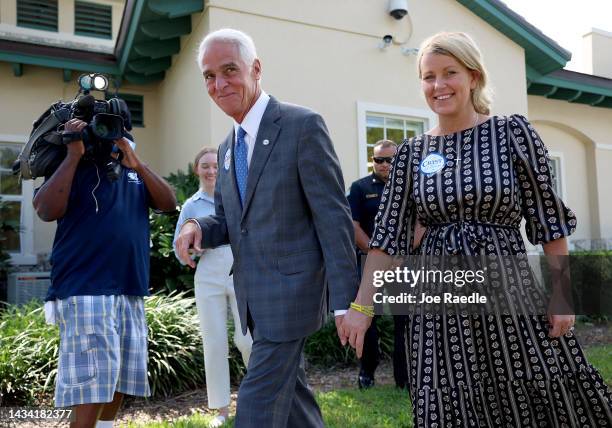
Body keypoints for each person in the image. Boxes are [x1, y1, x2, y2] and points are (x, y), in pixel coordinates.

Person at [340, 32, 612, 426]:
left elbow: (548, 220)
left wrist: (561, 295)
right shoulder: (411, 155)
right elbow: (386, 241)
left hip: (508, 290)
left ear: (472, 76)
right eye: (428, 76)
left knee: (535, 390)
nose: (438, 85)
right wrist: (361, 307)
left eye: (449, 72)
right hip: (438, 302)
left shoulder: (511, 134)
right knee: (449, 400)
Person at [175, 28, 358, 427]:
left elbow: (333, 217)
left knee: (255, 409)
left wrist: (346, 302)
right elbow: (228, 222)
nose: (219, 84)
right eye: (209, 76)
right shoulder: (226, 148)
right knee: (294, 403)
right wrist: (196, 227)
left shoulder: (302, 125)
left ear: (255, 69)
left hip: (293, 296)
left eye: (229, 70)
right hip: (253, 299)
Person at [34, 120, 176, 428]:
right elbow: (45, 209)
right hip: (86, 288)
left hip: (129, 286)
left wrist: (137, 164)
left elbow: (168, 202)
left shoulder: (132, 170)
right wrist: (73, 155)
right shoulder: (72, 167)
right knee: (92, 383)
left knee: (120, 377)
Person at [173, 146, 252, 427]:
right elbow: (177, 247)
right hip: (207, 276)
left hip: (240, 272)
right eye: (205, 166)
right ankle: (220, 410)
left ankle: (257, 399)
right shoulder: (191, 206)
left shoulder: (236, 197)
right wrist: (191, 251)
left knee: (247, 340)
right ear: (197, 170)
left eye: (216, 165)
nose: (211, 170)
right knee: (214, 343)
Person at [346, 140, 409, 390]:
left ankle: (403, 378)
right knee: (367, 317)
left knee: (404, 321)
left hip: (403, 264)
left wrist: (399, 256)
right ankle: (367, 372)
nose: (384, 164)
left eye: (390, 159)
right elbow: (353, 226)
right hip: (368, 264)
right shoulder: (360, 188)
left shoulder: (409, 187)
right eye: (379, 160)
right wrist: (377, 255)